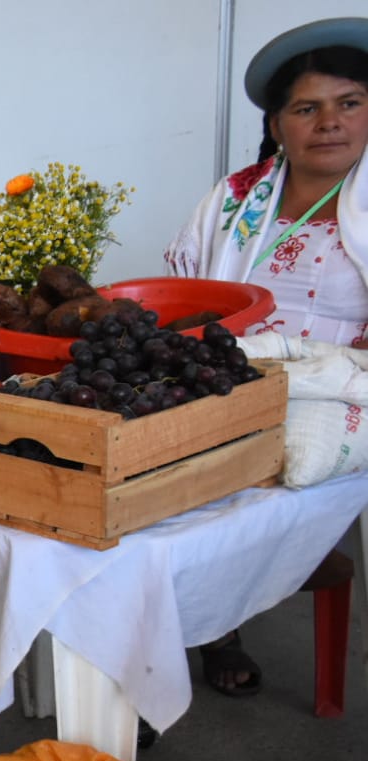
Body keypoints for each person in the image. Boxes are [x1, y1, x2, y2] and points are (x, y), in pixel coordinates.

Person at [165, 16, 368, 697]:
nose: (328, 122)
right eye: (305, 109)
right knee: (158, 471)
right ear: (277, 125)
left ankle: (212, 611)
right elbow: (192, 293)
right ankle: (204, 628)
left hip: (338, 382)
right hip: (235, 371)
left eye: (349, 102)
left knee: (229, 486)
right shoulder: (236, 197)